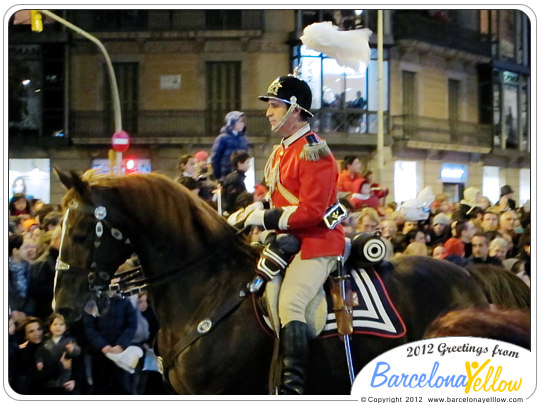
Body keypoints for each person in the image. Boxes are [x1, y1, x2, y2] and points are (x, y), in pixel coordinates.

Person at [244, 74, 345, 394]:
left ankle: (293, 387)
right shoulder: (279, 152)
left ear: (295, 109)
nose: (268, 112)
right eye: (270, 106)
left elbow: (312, 212)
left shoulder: (315, 151)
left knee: (291, 303)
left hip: (318, 242)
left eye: (275, 106)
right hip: (287, 239)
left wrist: (263, 217)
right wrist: (249, 212)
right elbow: (276, 196)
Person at [83, 292, 138, 394]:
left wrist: (121, 345)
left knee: (123, 388)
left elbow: (131, 325)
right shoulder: (92, 302)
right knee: (100, 389)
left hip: (122, 354)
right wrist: (103, 346)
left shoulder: (125, 302)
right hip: (100, 354)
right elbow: (89, 327)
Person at [35, 313, 81, 394]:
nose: (58, 327)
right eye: (55, 324)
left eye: (61, 324)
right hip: (49, 376)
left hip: (65, 376)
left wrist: (73, 349)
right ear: (50, 326)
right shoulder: (45, 342)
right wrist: (39, 361)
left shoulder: (70, 340)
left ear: (66, 327)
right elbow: (39, 353)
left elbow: (77, 352)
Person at [211, 111, 249, 181]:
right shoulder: (222, 138)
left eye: (243, 121)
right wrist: (217, 175)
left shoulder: (244, 139)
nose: (242, 124)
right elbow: (215, 158)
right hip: (225, 175)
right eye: (239, 121)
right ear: (232, 122)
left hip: (240, 176)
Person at [8, 234, 37, 317]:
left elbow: (33, 294)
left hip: (29, 314)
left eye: (33, 247)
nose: (31, 250)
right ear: (15, 251)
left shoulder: (33, 268)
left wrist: (27, 312)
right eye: (26, 247)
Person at [221, 150, 251, 215]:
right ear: (239, 163)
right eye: (247, 162)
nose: (249, 165)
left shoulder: (235, 177)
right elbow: (232, 200)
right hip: (233, 213)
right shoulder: (235, 179)